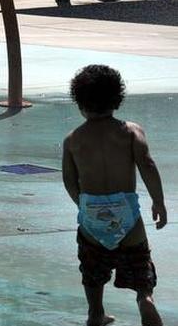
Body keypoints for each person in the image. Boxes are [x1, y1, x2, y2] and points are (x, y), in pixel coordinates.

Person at [62, 64, 167, 326]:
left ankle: (96, 313)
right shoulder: (131, 132)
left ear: (80, 102)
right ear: (117, 98)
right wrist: (159, 202)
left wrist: (82, 204)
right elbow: (148, 165)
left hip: (92, 213)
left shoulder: (73, 139)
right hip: (126, 212)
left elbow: (69, 179)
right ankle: (145, 299)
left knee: (92, 267)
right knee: (139, 261)